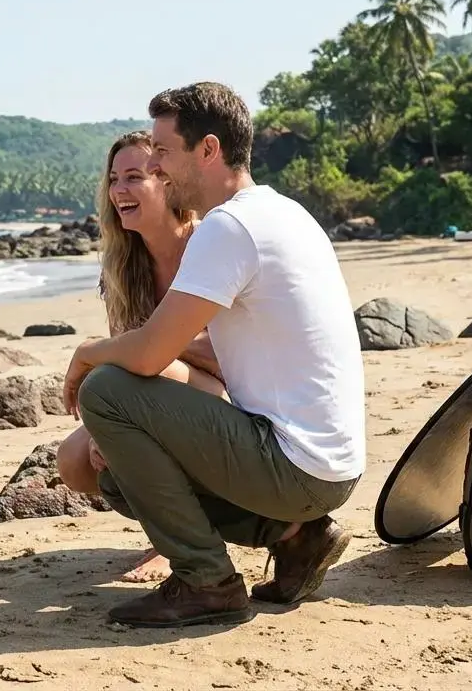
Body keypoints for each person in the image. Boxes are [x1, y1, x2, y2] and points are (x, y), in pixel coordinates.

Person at [62, 82, 365, 629]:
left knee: (106, 391)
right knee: (113, 473)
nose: (156, 167)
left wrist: (88, 352)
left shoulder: (228, 226)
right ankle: (299, 538)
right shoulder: (281, 211)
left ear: (207, 150)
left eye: (163, 152)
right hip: (326, 468)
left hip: (295, 465)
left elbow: (153, 353)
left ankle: (207, 582)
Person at [55, 129, 226, 583]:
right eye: (114, 179)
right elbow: (122, 360)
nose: (119, 191)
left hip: (233, 400)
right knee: (73, 459)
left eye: (134, 177)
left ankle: (171, 545)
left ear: (168, 181)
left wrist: (159, 342)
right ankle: (174, 524)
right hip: (163, 391)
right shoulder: (122, 265)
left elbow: (230, 355)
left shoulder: (208, 245)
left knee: (161, 368)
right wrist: (102, 429)